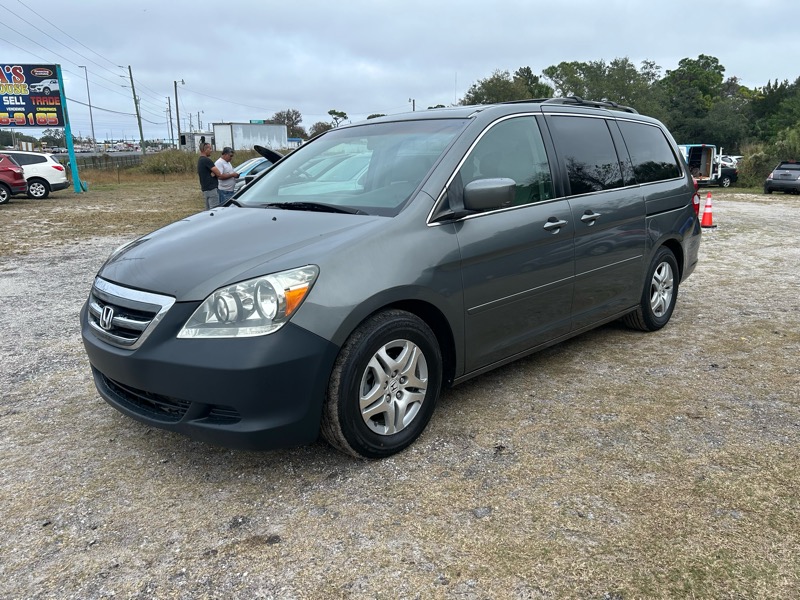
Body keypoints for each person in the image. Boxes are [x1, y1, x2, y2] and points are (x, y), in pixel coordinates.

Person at [197, 142, 220, 210]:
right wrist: (214, 173)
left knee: (208, 210)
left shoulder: (200, 160)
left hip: (205, 189)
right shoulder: (207, 160)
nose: (211, 150)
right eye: (210, 149)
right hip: (211, 189)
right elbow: (218, 173)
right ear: (205, 150)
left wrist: (213, 173)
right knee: (214, 210)